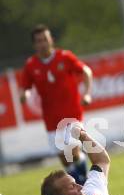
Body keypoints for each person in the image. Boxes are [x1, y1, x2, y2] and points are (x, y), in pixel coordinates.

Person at [19, 24, 93, 185]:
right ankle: (81, 181)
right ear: (35, 44)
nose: (43, 43)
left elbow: (86, 71)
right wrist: (24, 95)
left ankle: (84, 185)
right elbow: (25, 86)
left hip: (72, 114)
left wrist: (87, 93)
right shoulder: (31, 65)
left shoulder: (64, 57)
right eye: (39, 41)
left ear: (51, 39)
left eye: (45, 39)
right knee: (64, 159)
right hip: (51, 119)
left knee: (72, 150)